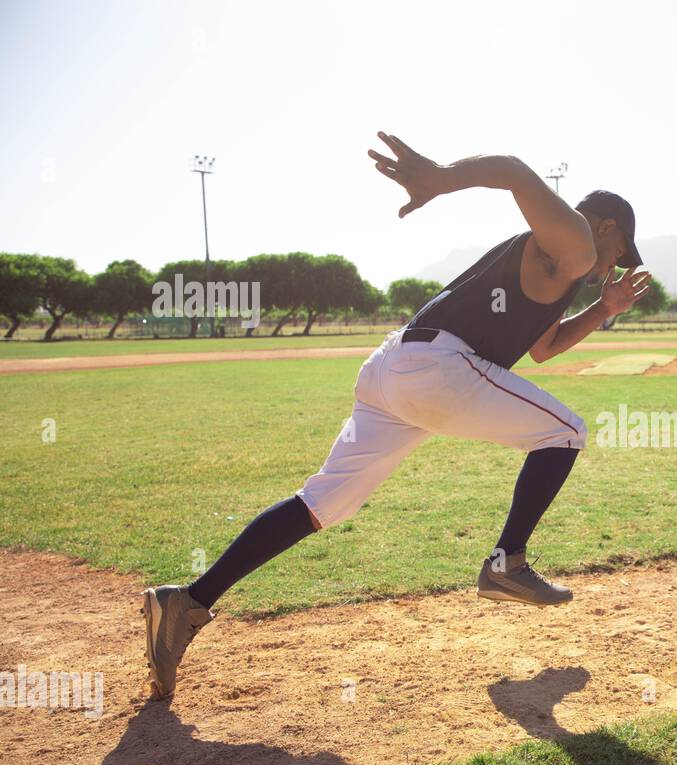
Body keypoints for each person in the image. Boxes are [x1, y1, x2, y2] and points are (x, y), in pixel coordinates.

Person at [142, 132, 651, 701]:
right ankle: (507, 563)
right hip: (437, 369)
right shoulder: (579, 241)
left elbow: (544, 348)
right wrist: (439, 177)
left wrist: (603, 310)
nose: (614, 268)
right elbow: (512, 168)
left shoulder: (560, 264)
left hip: (392, 369)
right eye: (622, 253)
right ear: (605, 227)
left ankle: (187, 601)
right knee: (567, 431)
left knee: (321, 504)